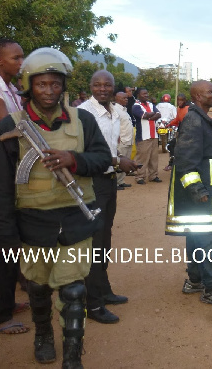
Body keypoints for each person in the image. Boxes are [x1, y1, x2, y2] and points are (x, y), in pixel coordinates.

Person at [0, 48, 111, 367]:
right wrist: (6, 235)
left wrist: (75, 160)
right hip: (32, 223)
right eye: (42, 84)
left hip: (75, 219)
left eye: (55, 84)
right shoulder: (8, 124)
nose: (49, 91)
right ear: (30, 85)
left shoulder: (83, 119)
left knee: (73, 291)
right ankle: (43, 333)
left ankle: (73, 355)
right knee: (38, 287)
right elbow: (3, 188)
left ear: (63, 86)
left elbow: (103, 160)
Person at [166, 80, 212, 307]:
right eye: (210, 91)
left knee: (196, 237)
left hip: (201, 196)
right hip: (201, 196)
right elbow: (185, 162)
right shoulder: (195, 121)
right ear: (197, 96)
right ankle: (211, 288)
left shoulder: (200, 119)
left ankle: (195, 280)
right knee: (206, 241)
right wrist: (197, 189)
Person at [78, 70, 139, 324]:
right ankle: (92, 304)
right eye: (97, 84)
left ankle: (103, 290)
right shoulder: (83, 113)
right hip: (92, 183)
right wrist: (117, 160)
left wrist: (121, 163)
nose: (102, 89)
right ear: (89, 86)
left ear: (114, 88)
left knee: (104, 239)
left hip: (109, 180)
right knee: (93, 243)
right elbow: (80, 154)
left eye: (108, 85)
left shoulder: (116, 112)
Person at [0, 38, 29, 335]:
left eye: (22, 57)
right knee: (4, 240)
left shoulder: (13, 90)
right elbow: (10, 129)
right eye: (15, 58)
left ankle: (6, 299)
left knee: (11, 238)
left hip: (8, 172)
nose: (21, 62)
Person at [132, 88, 162, 184]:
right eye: (144, 94)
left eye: (147, 93)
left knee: (154, 158)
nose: (146, 95)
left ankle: (153, 176)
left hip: (154, 135)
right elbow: (144, 115)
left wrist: (150, 115)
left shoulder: (150, 104)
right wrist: (153, 115)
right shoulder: (136, 106)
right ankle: (140, 177)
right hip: (143, 137)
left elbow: (159, 114)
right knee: (142, 157)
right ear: (138, 95)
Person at [164, 93, 191, 171]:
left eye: (181, 100)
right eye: (178, 100)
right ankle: (172, 163)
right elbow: (177, 119)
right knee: (171, 145)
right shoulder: (179, 109)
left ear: (185, 100)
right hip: (181, 132)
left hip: (188, 133)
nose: (180, 102)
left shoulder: (189, 108)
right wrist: (169, 124)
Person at [113, 91, 134, 190]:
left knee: (125, 161)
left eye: (127, 98)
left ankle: (121, 181)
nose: (126, 100)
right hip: (121, 141)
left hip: (128, 140)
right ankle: (115, 183)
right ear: (117, 99)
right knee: (118, 163)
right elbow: (113, 125)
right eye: (124, 98)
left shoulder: (124, 110)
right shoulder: (115, 110)